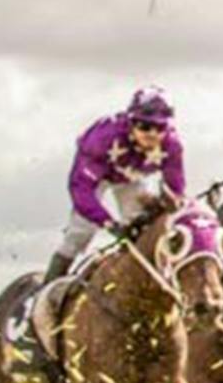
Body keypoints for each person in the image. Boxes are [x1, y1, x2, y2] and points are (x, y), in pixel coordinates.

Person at [43, 87, 185, 284]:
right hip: (97, 176)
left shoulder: (172, 144)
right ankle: (46, 292)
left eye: (160, 128)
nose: (152, 134)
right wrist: (109, 223)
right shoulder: (102, 139)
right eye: (145, 126)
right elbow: (81, 191)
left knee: (140, 226)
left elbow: (176, 189)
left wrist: (170, 210)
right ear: (132, 121)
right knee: (81, 231)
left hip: (132, 176)